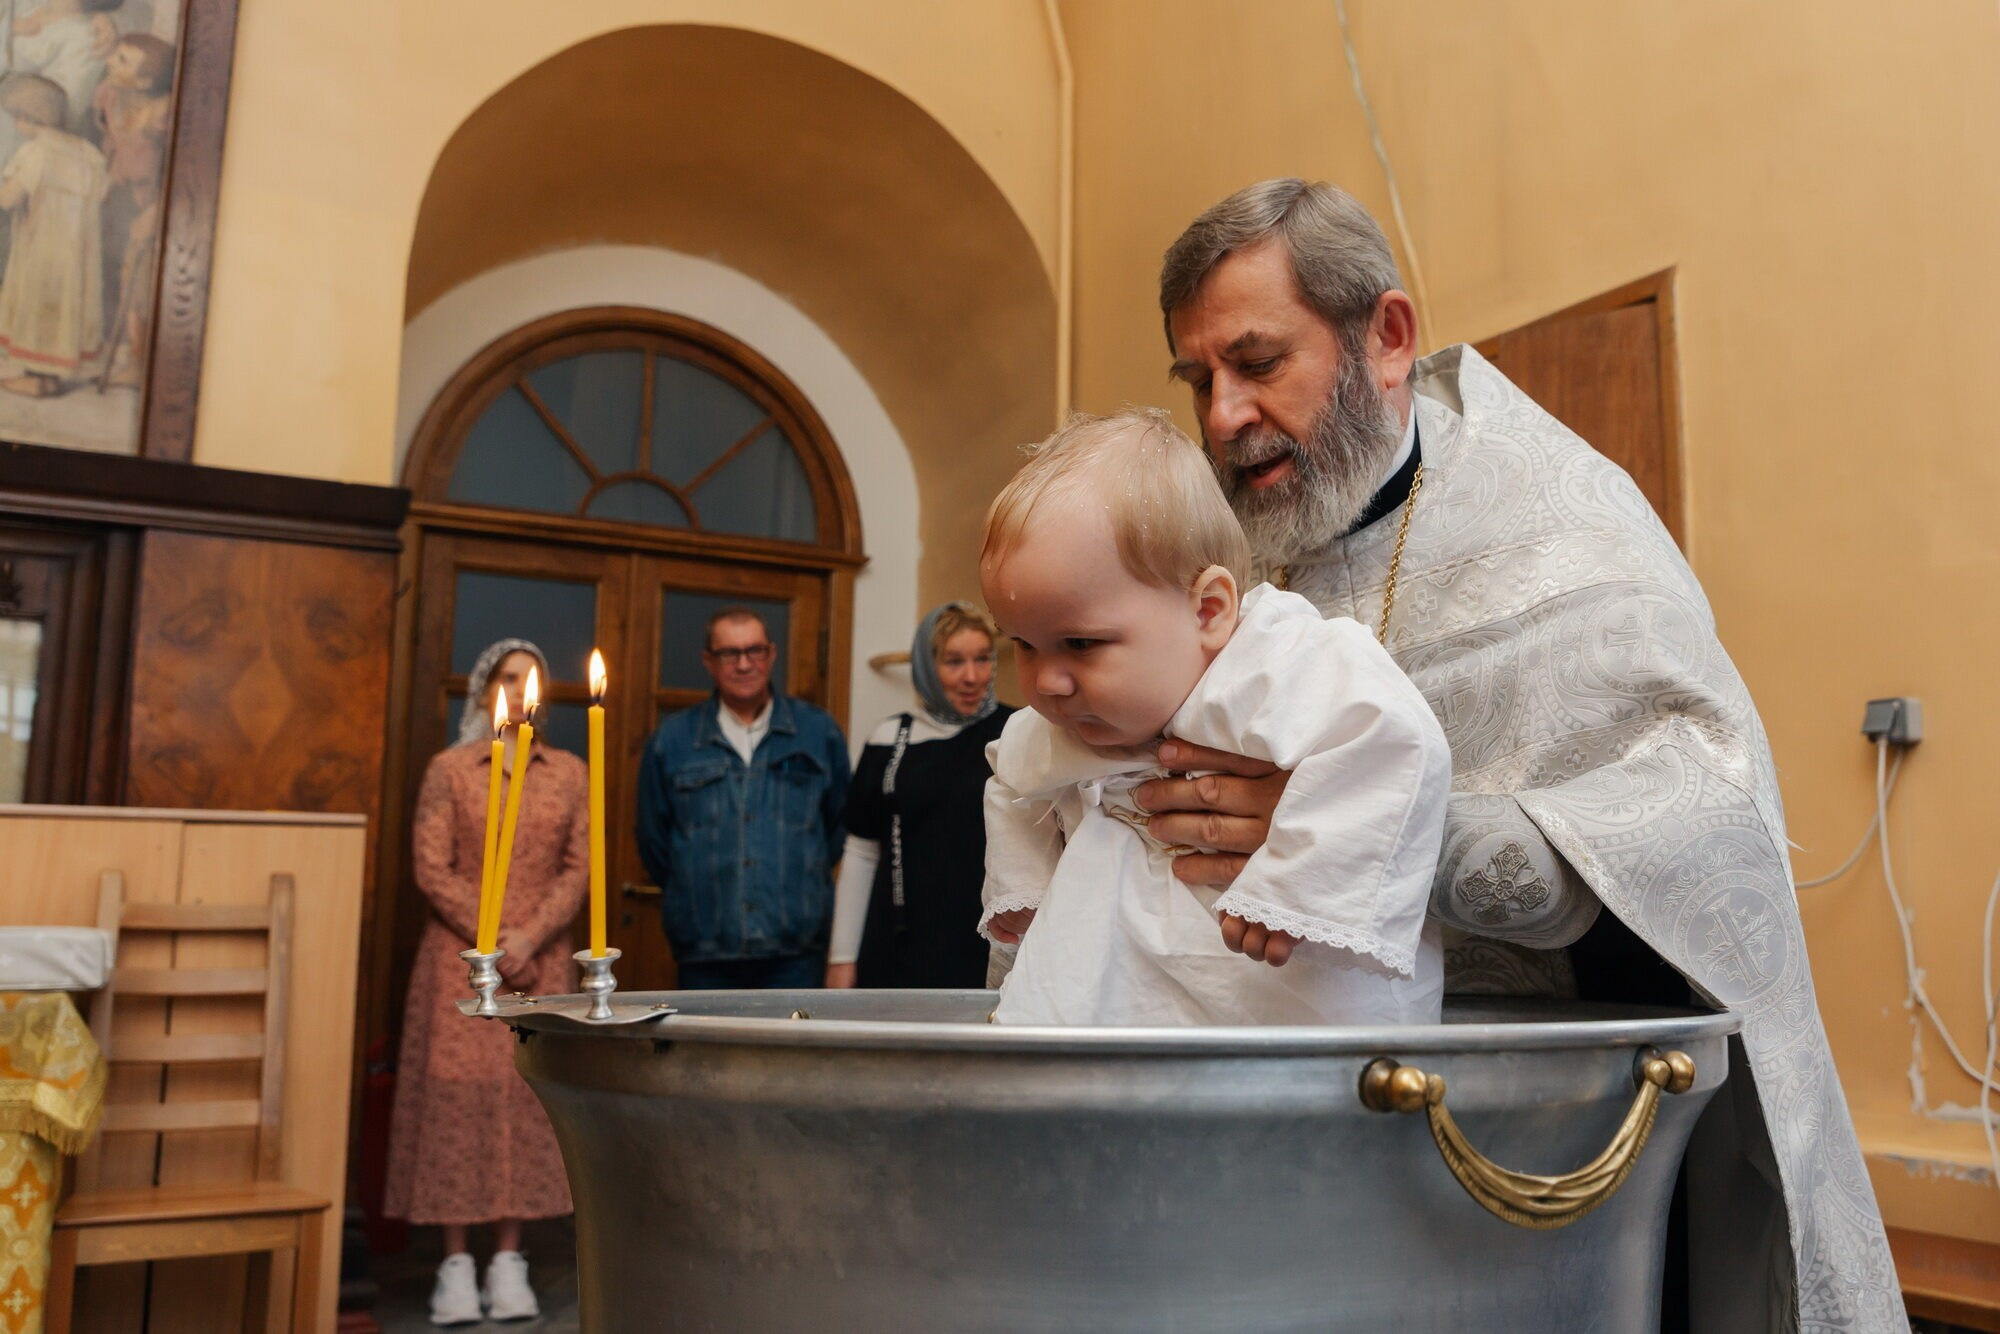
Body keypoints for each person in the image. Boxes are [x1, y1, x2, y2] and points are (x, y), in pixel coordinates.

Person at [1099, 178, 1901, 1329]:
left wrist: (1359, 833)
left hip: (1541, 1157)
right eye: (1198, 381)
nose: (1223, 413)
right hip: (1276, 1148)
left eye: (1256, 360)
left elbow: (1701, 814)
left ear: (1385, 337)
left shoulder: (1560, 528)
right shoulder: (1223, 558)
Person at [975, 408, 1450, 1026]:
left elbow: (1392, 743)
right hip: (1123, 980)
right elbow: (1013, 777)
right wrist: (1024, 887)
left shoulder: (1277, 665)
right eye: (1022, 645)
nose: (1045, 684)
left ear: (1208, 610)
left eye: (1080, 644)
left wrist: (1296, 891)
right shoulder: (1057, 723)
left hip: (1280, 975)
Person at [386, 639, 586, 1325]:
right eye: (506, 678)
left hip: (542, 961)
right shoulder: (451, 769)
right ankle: (453, 1263)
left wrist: (527, 941)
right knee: (456, 1106)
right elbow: (431, 865)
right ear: (483, 691)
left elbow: (579, 865)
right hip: (460, 961)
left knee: (521, 1102)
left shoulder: (568, 773)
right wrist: (493, 942)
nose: (518, 689)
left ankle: (509, 1258)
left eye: (531, 680)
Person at [636, 608, 849, 990]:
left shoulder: (818, 733)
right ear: (708, 661)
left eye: (754, 651)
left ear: (771, 654)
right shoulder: (672, 742)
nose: (744, 664)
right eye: (729, 654)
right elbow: (655, 844)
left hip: (796, 952)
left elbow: (836, 831)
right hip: (704, 952)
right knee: (707, 1053)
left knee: (790, 1052)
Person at [825, 601, 1013, 990]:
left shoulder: (1017, 732)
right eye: (954, 661)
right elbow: (862, 851)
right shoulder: (889, 738)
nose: (971, 677)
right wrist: (842, 958)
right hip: (900, 940)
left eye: (982, 659)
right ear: (926, 667)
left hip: (990, 941)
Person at [0, 73, 102, 396]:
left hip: (42, 248)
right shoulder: (88, 154)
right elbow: (102, 196)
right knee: (63, 312)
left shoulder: (36, 152)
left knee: (35, 306)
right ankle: (51, 376)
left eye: (16, 117)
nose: (17, 125)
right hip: (76, 254)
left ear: (27, 117)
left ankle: (32, 378)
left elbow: (7, 199)